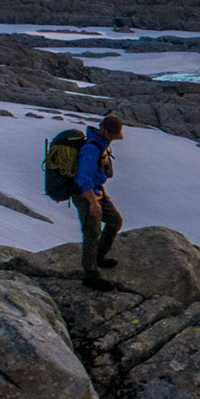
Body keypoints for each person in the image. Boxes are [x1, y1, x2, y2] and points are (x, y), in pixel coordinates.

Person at [75, 114, 124, 290]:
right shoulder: (91, 149)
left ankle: (98, 257)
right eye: (112, 135)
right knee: (92, 231)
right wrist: (93, 203)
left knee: (115, 221)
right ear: (105, 131)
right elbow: (83, 178)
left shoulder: (101, 144)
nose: (113, 139)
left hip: (97, 191)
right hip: (86, 194)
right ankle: (90, 274)